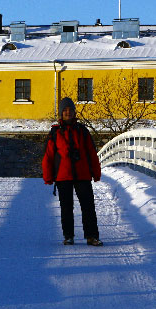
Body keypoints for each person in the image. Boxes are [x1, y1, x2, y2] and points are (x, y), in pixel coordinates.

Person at [42, 97, 103, 246]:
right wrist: (48, 176)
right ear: (61, 113)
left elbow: (91, 153)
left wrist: (96, 173)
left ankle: (92, 236)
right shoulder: (55, 132)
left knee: (88, 206)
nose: (68, 112)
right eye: (65, 110)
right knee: (66, 207)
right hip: (64, 176)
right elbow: (48, 156)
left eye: (70, 110)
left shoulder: (82, 131)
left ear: (74, 112)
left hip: (82, 174)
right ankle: (68, 236)